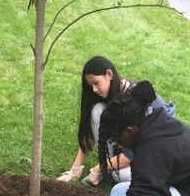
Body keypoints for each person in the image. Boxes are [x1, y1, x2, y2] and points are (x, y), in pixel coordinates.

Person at [56, 56, 175, 187]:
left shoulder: (135, 100)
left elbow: (133, 152)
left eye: (96, 83)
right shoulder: (108, 94)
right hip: (132, 146)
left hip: (156, 150)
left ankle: (157, 177)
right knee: (97, 110)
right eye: (91, 86)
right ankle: (110, 165)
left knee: (121, 175)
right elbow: (89, 134)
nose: (94, 89)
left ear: (109, 74)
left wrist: (98, 168)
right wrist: (75, 169)